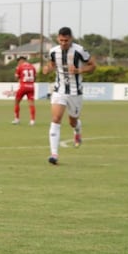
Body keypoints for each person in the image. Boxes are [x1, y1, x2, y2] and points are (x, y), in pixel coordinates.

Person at [42, 26, 96, 165]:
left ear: (71, 38)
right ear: (57, 38)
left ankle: (77, 130)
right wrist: (48, 68)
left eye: (66, 40)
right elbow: (52, 63)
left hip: (75, 92)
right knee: (55, 118)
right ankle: (54, 154)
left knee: (72, 121)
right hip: (59, 90)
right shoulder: (54, 51)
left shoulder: (79, 50)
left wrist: (79, 70)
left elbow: (93, 66)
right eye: (61, 40)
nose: (63, 43)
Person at [12, 56, 37, 125]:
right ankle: (32, 121)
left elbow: (16, 77)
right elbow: (35, 77)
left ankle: (17, 119)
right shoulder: (32, 67)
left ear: (21, 61)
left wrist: (18, 74)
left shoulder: (20, 67)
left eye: (19, 61)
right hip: (31, 87)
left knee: (16, 102)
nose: (18, 63)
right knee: (31, 104)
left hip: (23, 86)